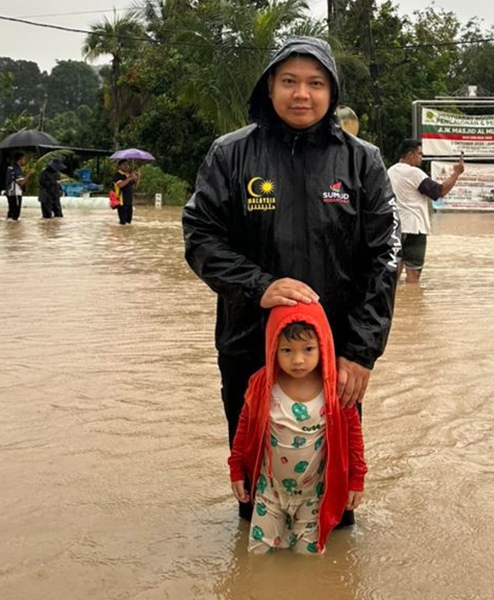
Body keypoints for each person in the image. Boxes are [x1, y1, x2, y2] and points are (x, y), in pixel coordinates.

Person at [182, 36, 398, 525]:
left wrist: (361, 351)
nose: (302, 94)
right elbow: (200, 237)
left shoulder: (362, 160)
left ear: (332, 92)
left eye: (315, 83)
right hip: (249, 346)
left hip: (335, 352)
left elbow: (384, 257)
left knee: (334, 510)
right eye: (290, 81)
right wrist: (259, 285)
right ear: (270, 87)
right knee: (253, 498)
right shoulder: (230, 154)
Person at [229, 301, 366, 554]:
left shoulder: (335, 389)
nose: (298, 360)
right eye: (287, 350)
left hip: (314, 496)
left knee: (308, 560)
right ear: (273, 348)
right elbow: (244, 427)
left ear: (323, 345)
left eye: (308, 349)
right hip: (269, 491)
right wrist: (236, 469)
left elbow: (354, 438)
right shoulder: (262, 384)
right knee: (257, 558)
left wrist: (356, 479)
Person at [387, 138, 464, 284]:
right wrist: (456, 173)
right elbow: (439, 192)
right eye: (419, 154)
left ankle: (395, 299)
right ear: (410, 155)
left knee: (393, 273)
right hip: (415, 228)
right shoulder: (414, 173)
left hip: (395, 228)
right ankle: (412, 298)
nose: (421, 157)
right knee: (413, 275)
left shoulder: (390, 171)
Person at [112, 159, 140, 225]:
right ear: (119, 166)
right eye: (124, 164)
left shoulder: (127, 175)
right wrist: (130, 178)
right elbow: (120, 185)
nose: (126, 166)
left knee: (128, 222)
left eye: (127, 164)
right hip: (122, 201)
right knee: (123, 222)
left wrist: (138, 178)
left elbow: (134, 187)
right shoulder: (117, 175)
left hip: (129, 201)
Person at [4, 153, 27, 220]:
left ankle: (9, 225)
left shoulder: (11, 168)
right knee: (15, 214)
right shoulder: (15, 169)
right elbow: (21, 182)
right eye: (24, 159)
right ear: (20, 160)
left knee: (11, 212)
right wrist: (29, 174)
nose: (24, 161)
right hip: (15, 193)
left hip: (10, 192)